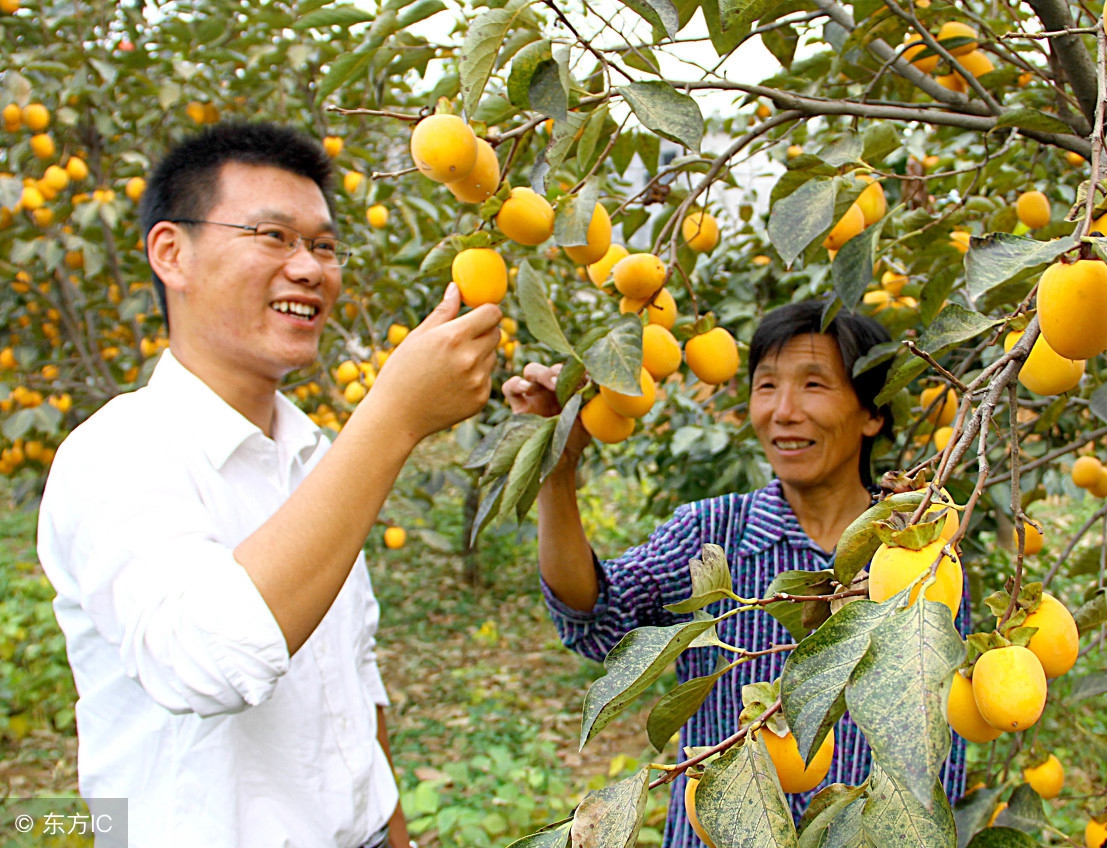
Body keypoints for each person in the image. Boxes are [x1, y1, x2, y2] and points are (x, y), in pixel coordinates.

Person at [37, 122, 502, 848]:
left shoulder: (313, 454)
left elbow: (353, 680)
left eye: (324, 246)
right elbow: (206, 663)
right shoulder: (115, 453)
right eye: (273, 236)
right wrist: (392, 417)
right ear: (172, 253)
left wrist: (391, 831)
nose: (310, 268)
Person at [503, 300, 970, 848]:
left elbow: (940, 736)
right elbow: (595, 611)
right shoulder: (711, 532)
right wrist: (558, 471)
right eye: (766, 385)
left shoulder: (924, 550)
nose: (783, 411)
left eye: (813, 384)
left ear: (873, 413)